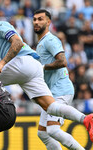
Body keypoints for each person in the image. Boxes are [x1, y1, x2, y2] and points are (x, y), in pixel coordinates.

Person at [0, 7, 93, 142]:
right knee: (50, 110)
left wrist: (1, 64)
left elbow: (17, 43)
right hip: (30, 68)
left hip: (25, 65)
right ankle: (86, 119)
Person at [33, 9, 85, 150]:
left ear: (48, 22)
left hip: (61, 90)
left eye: (40, 19)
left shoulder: (50, 39)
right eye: (35, 19)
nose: (36, 22)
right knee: (42, 133)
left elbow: (62, 61)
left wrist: (42, 68)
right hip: (51, 93)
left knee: (53, 130)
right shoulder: (40, 43)